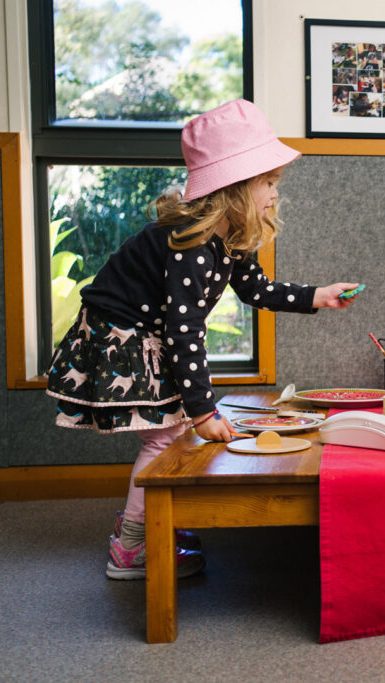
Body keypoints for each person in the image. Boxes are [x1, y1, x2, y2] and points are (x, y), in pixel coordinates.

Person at [46, 99, 362, 580]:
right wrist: (203, 411)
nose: (276, 195)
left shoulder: (228, 237)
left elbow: (257, 290)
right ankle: (133, 546)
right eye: (269, 183)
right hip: (123, 336)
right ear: (234, 188)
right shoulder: (192, 245)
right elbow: (185, 331)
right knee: (166, 437)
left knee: (168, 434)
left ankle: (145, 528)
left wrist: (318, 296)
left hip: (145, 333)